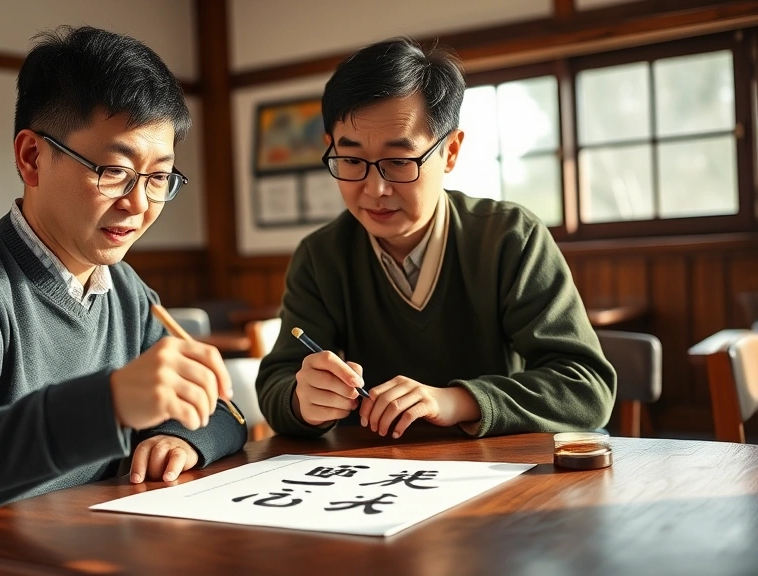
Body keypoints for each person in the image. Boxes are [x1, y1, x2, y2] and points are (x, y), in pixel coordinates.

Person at [0, 26, 247, 574]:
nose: (139, 204)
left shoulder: (126, 291)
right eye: (115, 171)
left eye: (160, 178)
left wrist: (182, 437)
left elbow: (224, 410)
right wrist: (111, 404)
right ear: (31, 158)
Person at [256, 38, 615, 440]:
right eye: (352, 160)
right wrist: (303, 401)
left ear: (450, 152)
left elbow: (586, 387)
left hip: (498, 477)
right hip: (374, 478)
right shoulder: (322, 256)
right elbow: (276, 383)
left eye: (398, 161)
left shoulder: (510, 238)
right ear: (331, 148)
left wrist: (456, 402)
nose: (374, 189)